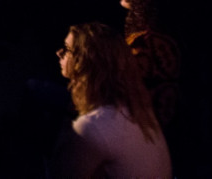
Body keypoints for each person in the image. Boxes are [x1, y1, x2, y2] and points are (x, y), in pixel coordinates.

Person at [51, 22, 172, 178]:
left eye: (67, 49)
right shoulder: (139, 116)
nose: (59, 53)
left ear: (86, 62)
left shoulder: (93, 128)